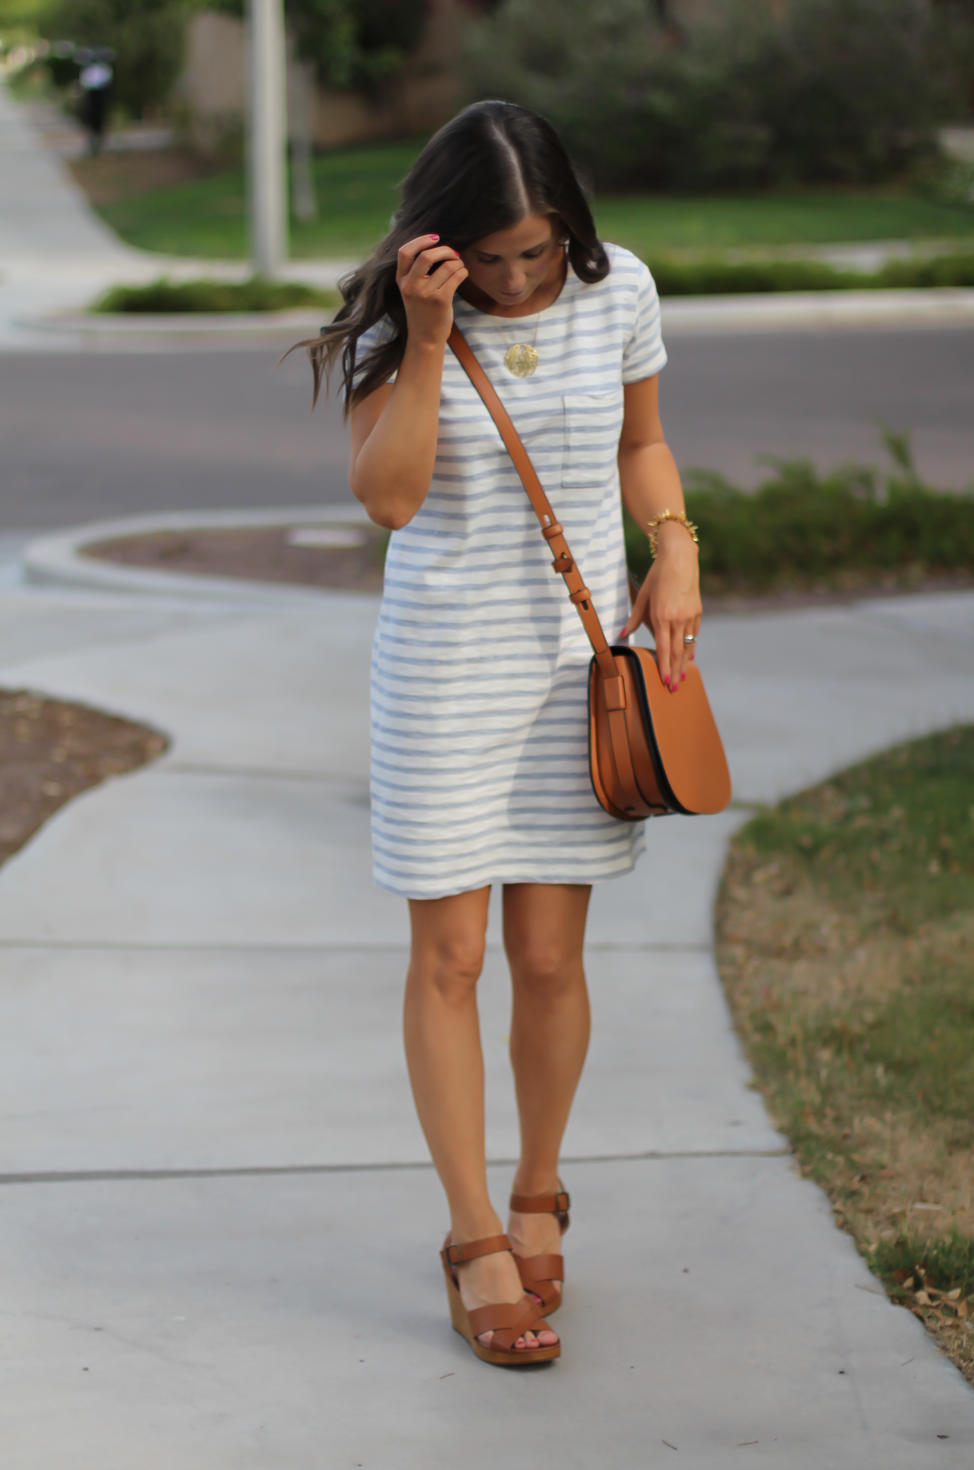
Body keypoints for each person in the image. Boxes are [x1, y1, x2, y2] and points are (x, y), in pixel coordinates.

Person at [295, 100, 701, 1366]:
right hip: (440, 675)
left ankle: (538, 1188)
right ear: (441, 240)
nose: (521, 280)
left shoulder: (615, 288)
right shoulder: (400, 316)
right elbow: (390, 498)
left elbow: (642, 443)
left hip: (573, 669)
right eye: (497, 257)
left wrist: (675, 550)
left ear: (568, 227)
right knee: (450, 959)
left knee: (543, 958)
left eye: (539, 251)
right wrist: (423, 336)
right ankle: (474, 1234)